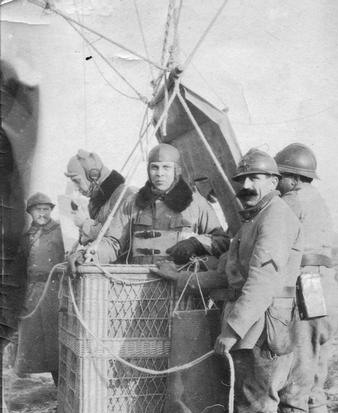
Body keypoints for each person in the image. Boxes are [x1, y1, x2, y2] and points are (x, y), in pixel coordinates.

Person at [155, 148, 303, 413]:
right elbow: (227, 275)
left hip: (263, 329)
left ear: (274, 181)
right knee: (252, 409)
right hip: (251, 326)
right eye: (242, 180)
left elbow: (262, 281)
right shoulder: (252, 221)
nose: (247, 185)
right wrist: (181, 278)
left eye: (255, 178)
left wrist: (233, 329)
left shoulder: (275, 218)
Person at [274, 143, 338, 413]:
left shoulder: (288, 204)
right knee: (316, 388)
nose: (275, 181)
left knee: (294, 393)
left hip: (305, 293)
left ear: (292, 179)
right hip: (328, 293)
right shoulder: (320, 202)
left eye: (279, 176)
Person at [68, 143, 229, 270]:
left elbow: (222, 240)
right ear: (148, 170)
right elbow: (113, 243)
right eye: (155, 167)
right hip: (139, 284)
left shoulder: (196, 203)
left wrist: (196, 242)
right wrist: (88, 254)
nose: (160, 173)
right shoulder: (132, 202)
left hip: (181, 287)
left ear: (176, 170)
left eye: (166, 167)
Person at [15, 193, 65, 385]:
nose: (42, 214)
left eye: (46, 209)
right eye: (38, 210)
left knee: (58, 346)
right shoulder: (27, 237)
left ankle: (65, 395)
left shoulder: (60, 231)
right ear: (30, 212)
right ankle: (58, 392)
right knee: (43, 349)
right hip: (34, 295)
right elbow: (19, 267)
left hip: (56, 292)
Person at [65, 149, 136, 247]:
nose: (76, 187)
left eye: (77, 181)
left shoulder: (122, 196)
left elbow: (113, 238)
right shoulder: (97, 201)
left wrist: (84, 224)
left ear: (93, 176)